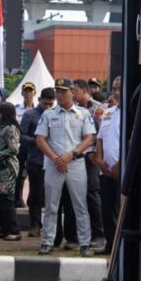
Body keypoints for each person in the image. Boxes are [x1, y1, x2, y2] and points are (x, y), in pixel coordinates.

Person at [36, 78, 96, 257]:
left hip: (75, 163)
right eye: (58, 91)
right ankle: (47, 241)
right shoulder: (48, 114)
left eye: (63, 91)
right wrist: (56, 158)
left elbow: (89, 138)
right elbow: (40, 139)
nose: (59, 94)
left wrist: (72, 154)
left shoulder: (83, 113)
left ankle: (84, 243)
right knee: (51, 205)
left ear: (72, 92)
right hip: (54, 164)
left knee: (80, 205)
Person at [73, 79, 107, 248]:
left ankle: (99, 233)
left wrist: (97, 154)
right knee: (79, 195)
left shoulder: (97, 109)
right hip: (76, 155)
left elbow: (102, 134)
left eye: (75, 91)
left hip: (91, 156)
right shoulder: (74, 109)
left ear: (84, 90)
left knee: (92, 193)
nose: (73, 94)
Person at [20, 88, 54, 237]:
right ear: (39, 99)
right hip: (36, 160)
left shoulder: (56, 114)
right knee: (36, 194)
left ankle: (52, 227)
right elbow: (21, 136)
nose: (48, 107)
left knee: (51, 195)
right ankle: (35, 224)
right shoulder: (30, 115)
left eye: (50, 104)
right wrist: (36, 142)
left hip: (53, 159)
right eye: (45, 103)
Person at [96, 83, 122, 255]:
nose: (116, 92)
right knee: (106, 210)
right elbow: (100, 139)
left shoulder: (132, 113)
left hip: (122, 170)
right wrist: (99, 160)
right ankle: (110, 244)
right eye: (114, 89)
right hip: (105, 170)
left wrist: (120, 164)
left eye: (120, 88)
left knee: (120, 210)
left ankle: (121, 246)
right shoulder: (108, 112)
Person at [0, 102, 22, 241]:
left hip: (8, 166)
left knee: (7, 198)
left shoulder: (10, 128)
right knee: (0, 198)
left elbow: (13, 149)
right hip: (0, 166)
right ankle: (4, 229)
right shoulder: (1, 127)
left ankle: (14, 230)